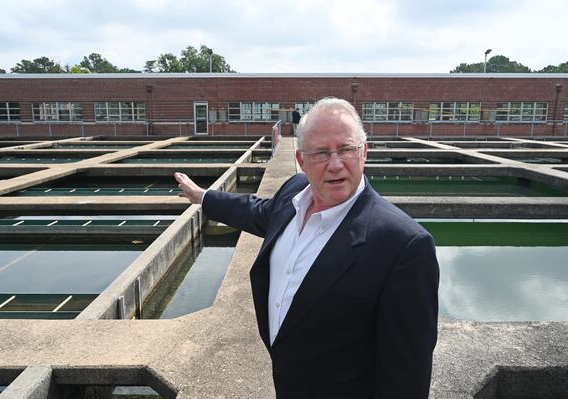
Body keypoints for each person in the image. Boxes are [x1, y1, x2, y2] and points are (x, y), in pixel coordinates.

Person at [175, 97, 439, 399]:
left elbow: (406, 378)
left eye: (346, 149)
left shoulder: (404, 245)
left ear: (364, 152)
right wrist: (203, 196)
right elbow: (257, 211)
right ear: (301, 160)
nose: (336, 164)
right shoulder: (293, 193)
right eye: (321, 153)